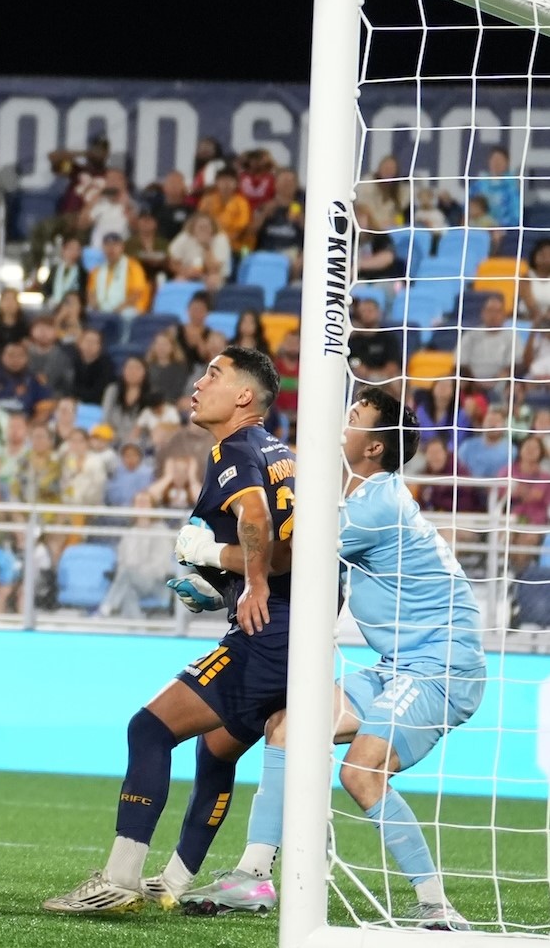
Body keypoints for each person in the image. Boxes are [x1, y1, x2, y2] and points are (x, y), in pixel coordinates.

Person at [178, 388, 484, 931]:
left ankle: (436, 904)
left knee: (362, 773)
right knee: (287, 726)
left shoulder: (376, 506)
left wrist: (205, 553)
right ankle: (253, 874)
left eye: (354, 417)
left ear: (374, 446)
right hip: (398, 665)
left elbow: (289, 558)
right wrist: (222, 589)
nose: (342, 423)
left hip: (441, 666)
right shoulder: (358, 502)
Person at [44, 346, 294, 914]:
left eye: (214, 375)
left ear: (244, 397)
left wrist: (247, 581)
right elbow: (288, 552)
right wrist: (228, 586)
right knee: (216, 751)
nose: (198, 383)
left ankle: (119, 879)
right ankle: (174, 882)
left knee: (149, 729)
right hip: (292, 633)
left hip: (267, 634)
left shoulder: (235, 448)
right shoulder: (281, 454)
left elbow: (256, 519)